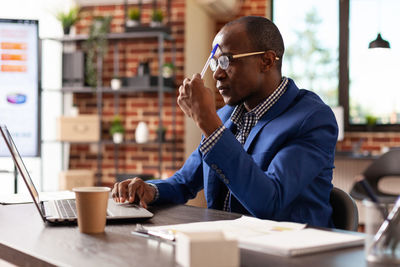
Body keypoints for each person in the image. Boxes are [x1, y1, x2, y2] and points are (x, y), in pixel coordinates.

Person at [112, 16, 338, 227]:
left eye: (226, 61)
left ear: (267, 61)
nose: (217, 73)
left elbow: (270, 202)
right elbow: (184, 182)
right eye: (215, 63)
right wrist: (150, 190)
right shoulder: (226, 116)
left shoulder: (312, 119)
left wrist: (209, 124)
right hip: (228, 246)